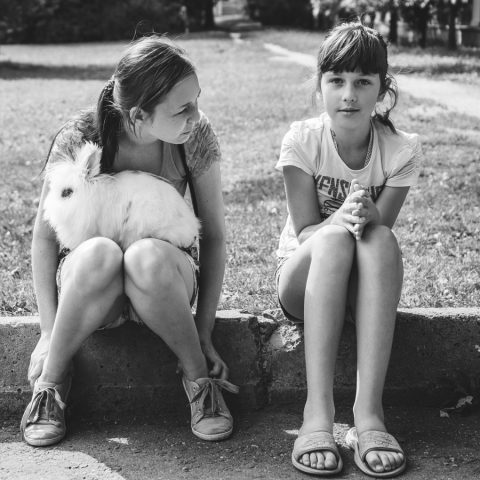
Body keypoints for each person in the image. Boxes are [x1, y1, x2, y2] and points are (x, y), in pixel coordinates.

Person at [21, 35, 238, 447]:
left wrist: (204, 328)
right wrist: (48, 332)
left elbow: (214, 236)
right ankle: (51, 382)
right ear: (139, 115)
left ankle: (198, 380)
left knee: (144, 258)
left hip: (161, 281)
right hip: (92, 286)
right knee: (101, 253)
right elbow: (44, 239)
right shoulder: (81, 136)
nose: (196, 115)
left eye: (196, 101)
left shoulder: (195, 136)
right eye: (183, 108)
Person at [275, 22, 422, 477]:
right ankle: (316, 414)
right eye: (336, 81)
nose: (348, 95)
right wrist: (338, 220)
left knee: (378, 237)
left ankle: (368, 414)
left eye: (362, 82)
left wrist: (369, 214)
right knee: (334, 237)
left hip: (360, 284)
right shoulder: (303, 141)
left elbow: (379, 234)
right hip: (302, 280)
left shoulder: (400, 151)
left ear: (382, 89)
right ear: (320, 85)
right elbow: (304, 233)